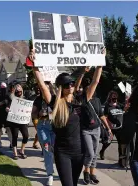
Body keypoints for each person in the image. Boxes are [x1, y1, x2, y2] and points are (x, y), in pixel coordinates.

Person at [30, 47, 105, 186]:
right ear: (60, 87)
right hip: (62, 152)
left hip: (79, 151)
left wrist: (100, 62)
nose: (70, 86)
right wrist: (34, 65)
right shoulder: (55, 103)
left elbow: (94, 82)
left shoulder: (80, 101)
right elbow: (42, 85)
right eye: (66, 85)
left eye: (71, 83)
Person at [74, 69, 112, 184]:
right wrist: (83, 72)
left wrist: (108, 128)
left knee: (95, 153)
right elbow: (78, 87)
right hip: (85, 130)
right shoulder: (83, 99)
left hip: (96, 129)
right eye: (88, 87)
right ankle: (85, 172)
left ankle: (92, 173)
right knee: (90, 153)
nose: (91, 88)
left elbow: (101, 115)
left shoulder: (97, 100)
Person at [32, 81, 56, 185]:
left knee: (56, 150)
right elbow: (33, 114)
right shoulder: (38, 100)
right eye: (42, 88)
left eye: (46, 88)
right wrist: (38, 113)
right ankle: (50, 175)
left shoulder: (55, 98)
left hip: (55, 126)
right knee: (47, 150)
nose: (43, 90)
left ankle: (54, 167)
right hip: (43, 126)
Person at [100, 90, 129, 168]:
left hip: (120, 128)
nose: (115, 99)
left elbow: (125, 109)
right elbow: (105, 117)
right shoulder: (107, 106)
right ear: (110, 98)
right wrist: (108, 126)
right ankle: (102, 151)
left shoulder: (119, 105)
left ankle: (121, 162)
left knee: (121, 145)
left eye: (115, 98)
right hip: (111, 128)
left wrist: (127, 101)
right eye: (113, 98)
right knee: (108, 142)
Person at [5, 84, 29, 160]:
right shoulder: (12, 99)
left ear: (22, 91)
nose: (19, 92)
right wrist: (7, 109)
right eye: (17, 90)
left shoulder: (25, 99)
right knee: (14, 136)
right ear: (15, 91)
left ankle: (22, 150)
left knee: (26, 135)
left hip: (22, 121)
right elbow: (7, 107)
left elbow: (28, 109)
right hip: (14, 121)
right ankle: (15, 153)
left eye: (20, 90)